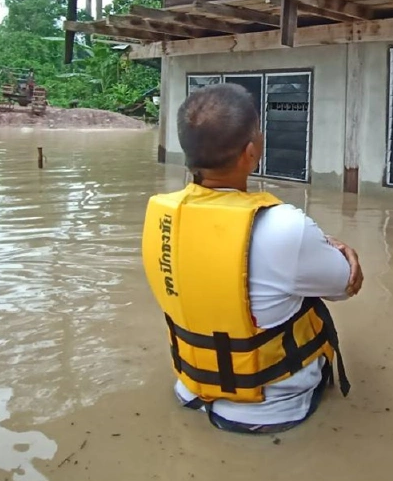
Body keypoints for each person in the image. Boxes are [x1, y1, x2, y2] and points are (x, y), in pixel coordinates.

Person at [142, 83, 362, 434]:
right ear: (251, 152)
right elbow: (345, 285)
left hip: (189, 389)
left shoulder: (162, 215)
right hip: (270, 410)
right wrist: (335, 247)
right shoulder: (285, 227)